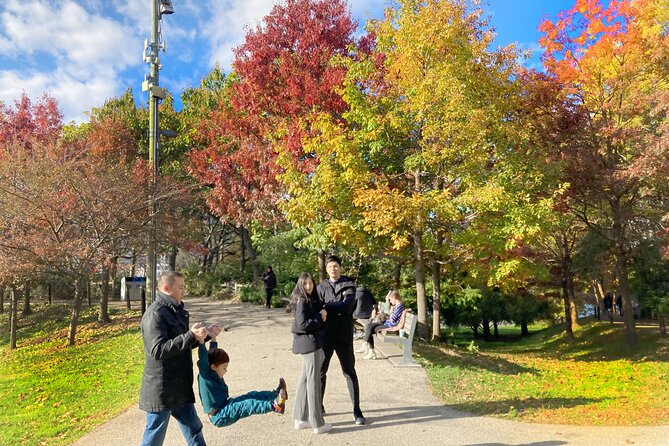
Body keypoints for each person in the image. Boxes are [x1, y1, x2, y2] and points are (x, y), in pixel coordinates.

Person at [139, 271, 209, 446]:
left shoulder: (177, 310)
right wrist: (190, 336)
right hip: (162, 389)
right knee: (153, 437)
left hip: (179, 387)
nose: (184, 290)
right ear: (166, 288)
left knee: (194, 428)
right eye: (180, 287)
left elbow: (181, 345)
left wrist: (202, 337)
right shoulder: (155, 314)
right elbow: (157, 350)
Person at [196, 325, 288, 427]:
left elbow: (211, 355)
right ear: (213, 367)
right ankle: (275, 406)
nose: (226, 371)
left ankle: (276, 394)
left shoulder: (212, 366)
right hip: (219, 415)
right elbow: (204, 359)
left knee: (252, 395)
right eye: (224, 368)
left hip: (226, 405)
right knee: (247, 404)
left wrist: (213, 338)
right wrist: (201, 342)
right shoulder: (206, 374)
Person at [317, 255, 366, 426]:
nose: (333, 269)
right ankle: (318, 406)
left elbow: (347, 306)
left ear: (340, 268)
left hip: (344, 336)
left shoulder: (349, 285)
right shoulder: (321, 287)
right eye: (330, 266)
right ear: (326, 269)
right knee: (321, 372)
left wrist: (327, 307)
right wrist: (331, 307)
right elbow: (316, 307)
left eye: (336, 266)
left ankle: (357, 410)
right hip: (326, 336)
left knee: (349, 372)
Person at [289, 272, 333, 434]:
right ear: (300, 284)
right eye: (305, 283)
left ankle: (300, 419)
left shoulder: (306, 300)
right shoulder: (302, 301)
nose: (308, 286)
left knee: (305, 380)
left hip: (309, 344)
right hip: (310, 345)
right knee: (313, 383)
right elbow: (303, 324)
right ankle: (317, 423)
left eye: (311, 283)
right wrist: (320, 317)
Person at [356, 290, 405, 360]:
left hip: (391, 326)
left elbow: (393, 320)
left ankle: (369, 349)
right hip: (387, 323)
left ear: (394, 298)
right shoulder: (396, 305)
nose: (390, 302)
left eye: (390, 300)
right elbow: (390, 317)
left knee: (370, 328)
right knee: (368, 326)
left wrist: (390, 312)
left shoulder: (399, 306)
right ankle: (367, 347)